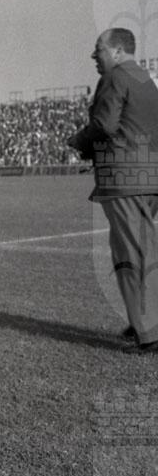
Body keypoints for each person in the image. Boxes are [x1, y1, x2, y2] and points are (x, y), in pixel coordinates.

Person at [68, 28, 158, 353]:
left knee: (130, 254)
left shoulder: (115, 77)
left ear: (117, 51)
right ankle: (141, 320)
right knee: (142, 248)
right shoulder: (146, 81)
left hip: (123, 179)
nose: (94, 56)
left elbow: (104, 125)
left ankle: (148, 330)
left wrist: (78, 141)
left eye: (99, 50)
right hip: (150, 178)